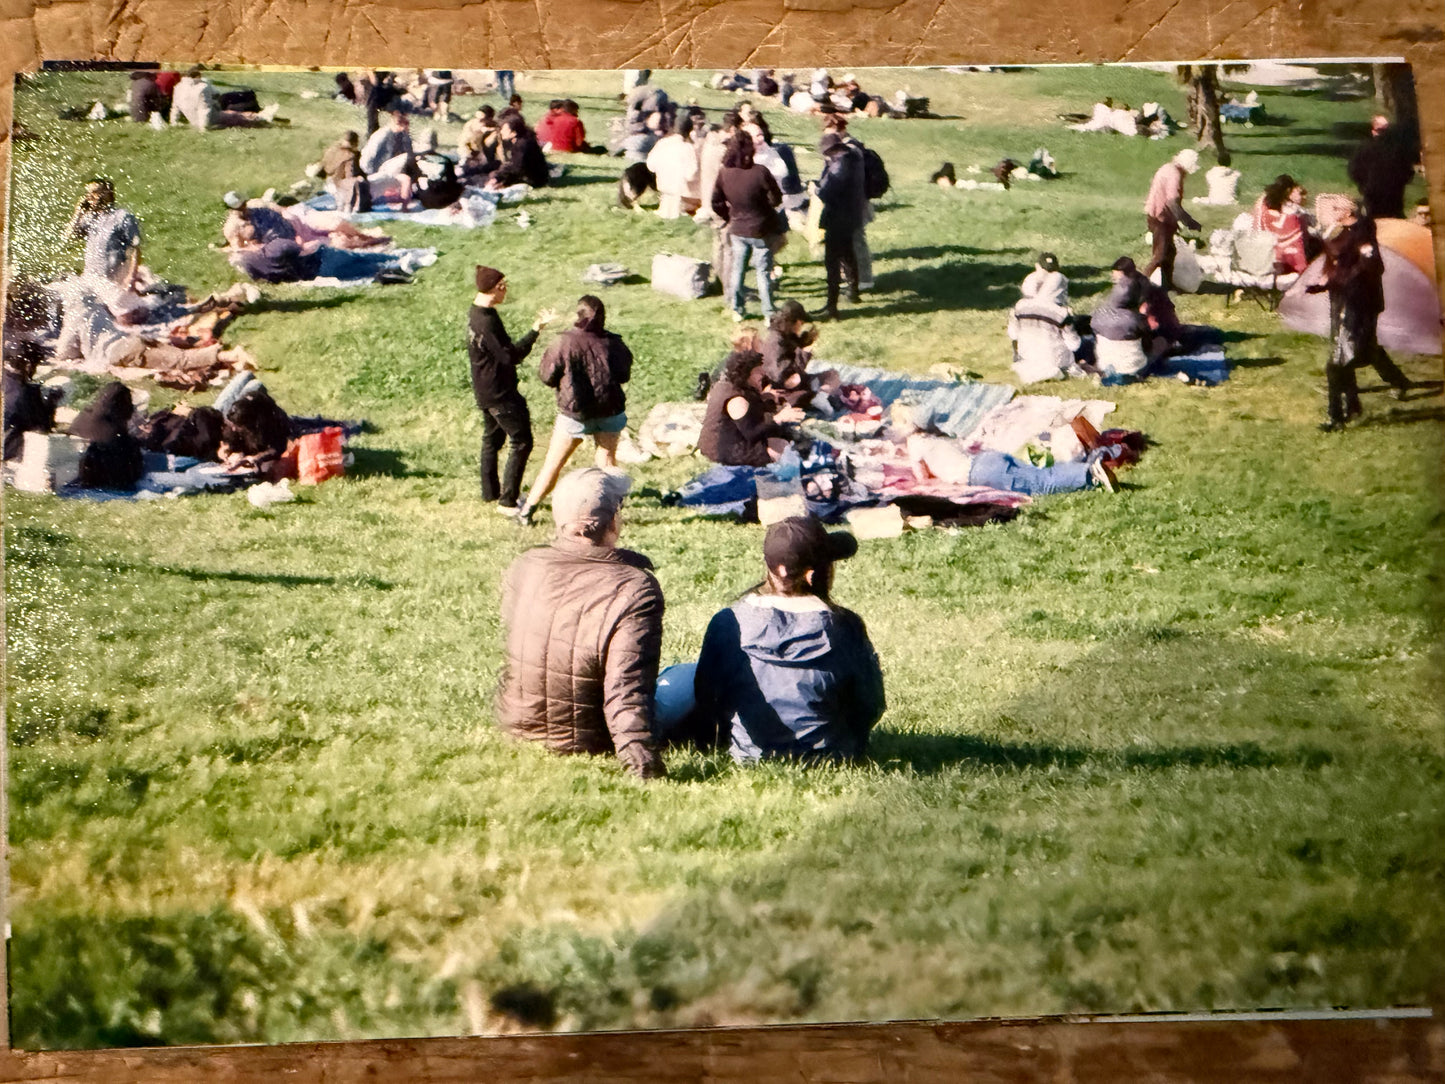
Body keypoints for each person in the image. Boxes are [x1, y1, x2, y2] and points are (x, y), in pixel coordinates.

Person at [498, 467, 665, 779]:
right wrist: (642, 765)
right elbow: (626, 689)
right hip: (587, 736)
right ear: (613, 520)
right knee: (684, 680)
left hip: (518, 721)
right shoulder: (634, 587)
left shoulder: (525, 566)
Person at [694, 515, 884, 763]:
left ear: (770, 567)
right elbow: (869, 704)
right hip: (831, 755)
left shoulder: (728, 621)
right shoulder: (845, 627)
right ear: (813, 575)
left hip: (751, 755)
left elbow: (707, 696)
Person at [517, 296, 634, 524]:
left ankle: (528, 510)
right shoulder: (613, 343)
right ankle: (611, 510)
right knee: (607, 464)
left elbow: (547, 377)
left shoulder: (563, 342)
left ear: (578, 315)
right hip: (609, 410)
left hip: (575, 413)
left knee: (554, 463)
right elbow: (623, 375)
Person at [1307, 205, 1414, 430]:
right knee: (1356, 353)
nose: (1332, 210)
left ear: (1349, 213)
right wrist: (1325, 282)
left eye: (1337, 207)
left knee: (1338, 362)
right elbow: (1340, 263)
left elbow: (1372, 267)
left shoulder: (1363, 233)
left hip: (1358, 305)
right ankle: (1354, 405)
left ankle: (1337, 417)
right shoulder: (1344, 233)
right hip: (1343, 302)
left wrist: (1339, 281)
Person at [468, 265, 557, 514]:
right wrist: (536, 330)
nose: (506, 291)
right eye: (504, 286)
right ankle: (508, 502)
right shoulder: (487, 322)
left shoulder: (477, 313)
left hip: (484, 389)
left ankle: (490, 493)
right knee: (522, 441)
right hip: (501, 393)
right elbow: (511, 357)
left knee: (492, 440)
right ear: (498, 287)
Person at [698, 332, 805, 466]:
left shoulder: (732, 385)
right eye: (758, 371)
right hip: (723, 449)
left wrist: (766, 397)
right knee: (780, 446)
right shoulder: (736, 399)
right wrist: (778, 418)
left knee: (781, 437)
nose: (763, 373)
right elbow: (751, 432)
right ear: (746, 373)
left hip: (729, 438)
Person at [712, 132, 783, 322]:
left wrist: (728, 216)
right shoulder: (760, 172)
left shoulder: (724, 173)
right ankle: (768, 313)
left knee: (738, 270)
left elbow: (716, 201)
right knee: (762, 272)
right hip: (760, 228)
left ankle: (737, 309)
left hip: (737, 228)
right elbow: (776, 199)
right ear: (750, 149)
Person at [1007, 253, 1083, 384]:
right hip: (1054, 360)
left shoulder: (1020, 307)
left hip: (1027, 355)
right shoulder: (1061, 313)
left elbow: (1012, 334)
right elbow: (1074, 345)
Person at [815, 131, 866, 320]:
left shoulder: (839, 164)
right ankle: (853, 291)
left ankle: (832, 307)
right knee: (848, 254)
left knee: (832, 263)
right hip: (851, 216)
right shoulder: (854, 156)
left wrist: (816, 188)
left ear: (830, 150)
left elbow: (827, 193)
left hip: (837, 218)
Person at [1142, 147, 1202, 291]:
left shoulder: (1167, 168)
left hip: (1159, 215)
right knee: (1160, 255)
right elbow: (1172, 202)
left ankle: (1168, 283)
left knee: (1170, 252)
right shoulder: (1174, 174)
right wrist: (1188, 221)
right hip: (1161, 217)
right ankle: (1141, 284)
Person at [65, 178, 141, 289]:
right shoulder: (90, 218)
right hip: (90, 280)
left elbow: (135, 249)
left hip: (114, 283)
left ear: (108, 194)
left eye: (95, 192)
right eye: (88, 193)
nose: (89, 197)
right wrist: (78, 212)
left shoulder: (122, 217)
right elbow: (69, 236)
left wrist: (131, 279)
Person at [1348, 114, 1417, 221]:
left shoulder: (1397, 151)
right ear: (1373, 131)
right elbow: (1354, 170)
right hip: (1373, 195)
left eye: (1386, 130)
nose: (1384, 133)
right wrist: (1365, 185)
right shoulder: (1365, 150)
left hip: (1393, 195)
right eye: (1381, 130)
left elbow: (1408, 171)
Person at [3, 339, 59, 460]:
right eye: (36, 365)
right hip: (8, 455)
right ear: (28, 365)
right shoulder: (27, 392)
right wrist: (52, 402)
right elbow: (43, 426)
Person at [1251, 174, 1315, 275]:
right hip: (1280, 252)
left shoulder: (1263, 200)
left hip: (1259, 244)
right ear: (1288, 191)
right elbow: (1303, 234)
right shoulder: (1292, 209)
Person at [645, 113, 701, 218]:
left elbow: (650, 166)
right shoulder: (688, 148)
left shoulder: (662, 143)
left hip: (664, 188)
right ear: (690, 131)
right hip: (681, 193)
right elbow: (691, 174)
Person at [360, 111, 420, 205]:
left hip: (394, 173)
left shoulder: (404, 136)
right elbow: (367, 157)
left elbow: (410, 155)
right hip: (378, 175)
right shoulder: (381, 135)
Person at [488, 115, 550, 189]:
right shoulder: (515, 140)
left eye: (504, 130)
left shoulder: (523, 144)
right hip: (524, 173)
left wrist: (498, 178)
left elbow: (516, 167)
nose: (501, 132)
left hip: (533, 178)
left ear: (514, 133)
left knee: (494, 178)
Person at [318, 130, 372, 213]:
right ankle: (353, 207)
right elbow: (350, 174)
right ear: (355, 143)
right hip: (340, 187)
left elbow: (323, 169)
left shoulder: (331, 150)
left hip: (328, 183)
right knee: (359, 182)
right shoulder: (351, 155)